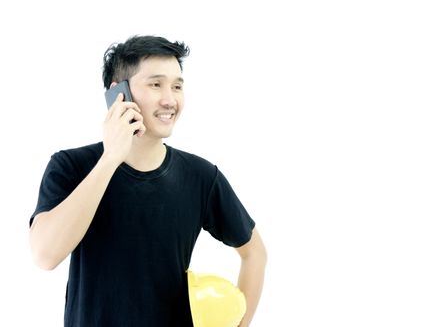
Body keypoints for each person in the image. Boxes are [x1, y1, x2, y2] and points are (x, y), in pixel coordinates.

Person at [29, 35, 267, 327]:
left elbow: (254, 253)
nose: (170, 99)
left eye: (177, 86)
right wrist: (110, 159)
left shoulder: (201, 177)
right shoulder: (71, 166)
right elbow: (44, 255)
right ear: (119, 94)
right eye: (156, 84)